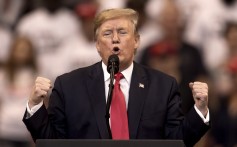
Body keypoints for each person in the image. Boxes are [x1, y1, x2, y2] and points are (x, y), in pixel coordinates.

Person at [23, 8, 210, 147]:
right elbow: (52, 141)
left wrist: (199, 110)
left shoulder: (163, 86)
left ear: (136, 41)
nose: (115, 39)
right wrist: (35, 106)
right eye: (107, 33)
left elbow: (178, 141)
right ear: (97, 45)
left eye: (122, 32)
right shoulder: (69, 85)